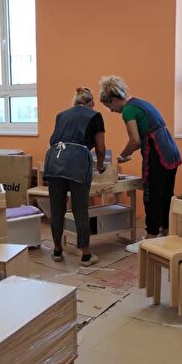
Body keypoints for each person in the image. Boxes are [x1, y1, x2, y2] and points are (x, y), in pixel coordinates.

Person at [99, 75, 182, 254]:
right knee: (166, 195)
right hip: (170, 151)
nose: (111, 111)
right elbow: (145, 134)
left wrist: (123, 155)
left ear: (114, 100)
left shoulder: (128, 110)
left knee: (151, 195)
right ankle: (165, 233)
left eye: (109, 106)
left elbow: (135, 140)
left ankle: (151, 238)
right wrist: (130, 153)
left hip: (157, 153)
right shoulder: (141, 103)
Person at [43, 87, 106, 267]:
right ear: (90, 103)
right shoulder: (95, 116)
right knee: (80, 210)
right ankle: (86, 255)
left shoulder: (61, 115)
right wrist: (100, 165)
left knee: (57, 209)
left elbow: (53, 141)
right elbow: (101, 148)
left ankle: (57, 250)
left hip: (54, 163)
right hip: (77, 164)